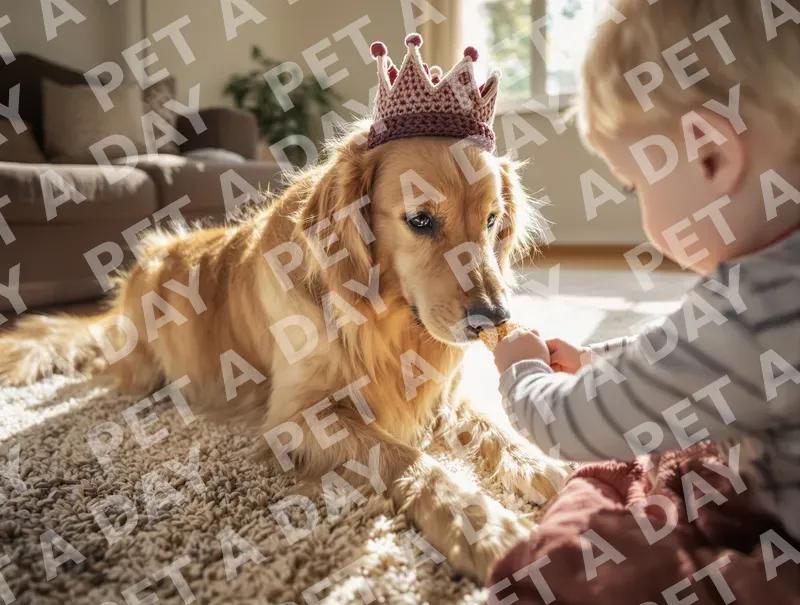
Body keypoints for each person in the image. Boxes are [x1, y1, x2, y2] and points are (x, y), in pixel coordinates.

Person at [488, 2, 800, 601]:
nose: (639, 206)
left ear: (711, 155)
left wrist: (520, 371)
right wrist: (597, 359)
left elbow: (569, 423)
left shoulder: (748, 313)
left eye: (635, 185)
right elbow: (687, 355)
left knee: (575, 561)